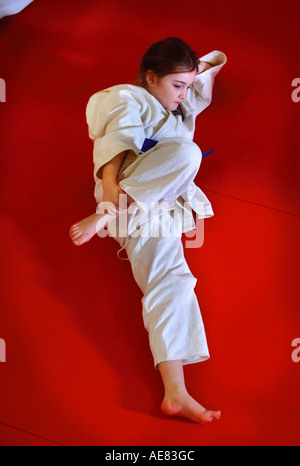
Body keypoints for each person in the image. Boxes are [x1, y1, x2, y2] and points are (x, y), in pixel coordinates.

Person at [69, 37, 226, 424]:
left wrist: (191, 74)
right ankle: (109, 214)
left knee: (173, 281)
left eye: (187, 86)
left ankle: (176, 391)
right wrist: (107, 206)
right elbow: (115, 147)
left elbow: (206, 69)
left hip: (155, 210)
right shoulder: (125, 97)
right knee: (188, 154)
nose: (184, 94)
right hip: (122, 193)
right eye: (177, 85)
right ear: (150, 77)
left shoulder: (174, 111)